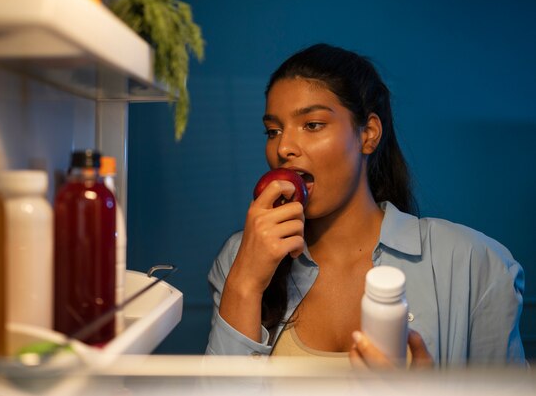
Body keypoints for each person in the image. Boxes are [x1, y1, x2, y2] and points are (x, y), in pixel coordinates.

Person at [205, 43, 526, 368]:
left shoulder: (476, 263)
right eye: (273, 131)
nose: (283, 147)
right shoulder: (238, 258)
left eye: (312, 125)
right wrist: (244, 283)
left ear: (368, 134)